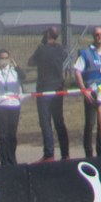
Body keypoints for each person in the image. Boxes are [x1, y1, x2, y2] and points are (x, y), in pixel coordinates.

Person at [70, 26, 101, 159]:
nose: (99, 37)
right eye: (97, 34)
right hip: (92, 93)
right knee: (90, 124)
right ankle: (89, 154)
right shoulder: (86, 52)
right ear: (93, 36)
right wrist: (84, 91)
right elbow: (77, 71)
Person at [30, 26, 70, 161]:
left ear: (47, 34)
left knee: (45, 122)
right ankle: (65, 154)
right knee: (59, 120)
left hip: (44, 89)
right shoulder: (60, 49)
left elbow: (31, 62)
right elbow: (65, 57)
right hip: (58, 88)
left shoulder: (41, 49)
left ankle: (49, 154)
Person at [0, 47, 25, 166]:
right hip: (1, 105)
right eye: (2, 58)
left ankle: (12, 158)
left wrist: (16, 66)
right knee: (3, 135)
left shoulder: (14, 71)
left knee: (12, 134)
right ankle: (4, 160)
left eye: (6, 58)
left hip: (13, 105)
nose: (4, 61)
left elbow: (23, 76)